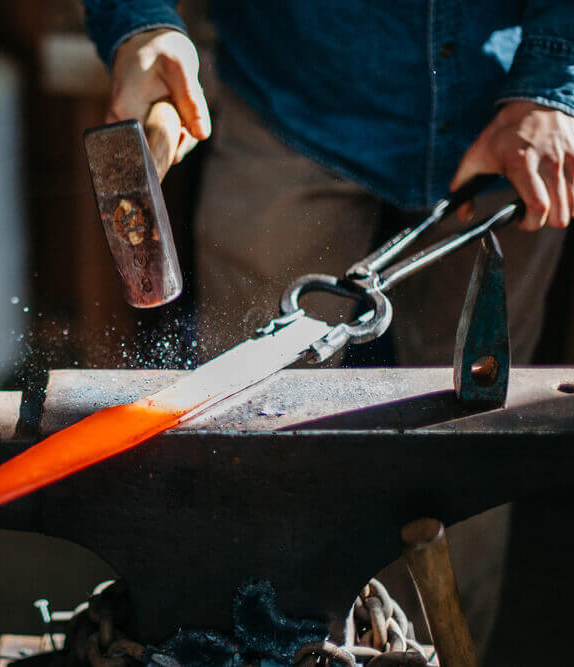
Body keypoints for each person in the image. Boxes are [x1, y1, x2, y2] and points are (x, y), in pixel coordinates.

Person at [83, 0, 574, 658]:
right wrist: (139, 20)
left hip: (514, 118)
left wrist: (555, 77)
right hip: (293, 99)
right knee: (243, 441)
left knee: (470, 440)